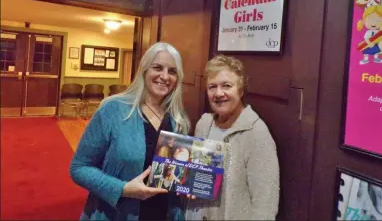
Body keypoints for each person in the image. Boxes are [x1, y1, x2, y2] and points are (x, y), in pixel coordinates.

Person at [70, 42, 190, 221]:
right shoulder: (113, 109)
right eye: (157, 68)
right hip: (117, 214)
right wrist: (123, 189)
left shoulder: (178, 119)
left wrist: (190, 184)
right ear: (144, 70)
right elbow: (79, 168)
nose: (165, 76)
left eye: (172, 71)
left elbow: (175, 175)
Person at [185, 55, 280, 220]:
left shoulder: (256, 133)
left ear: (241, 90)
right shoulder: (204, 124)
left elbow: (265, 207)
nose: (218, 93)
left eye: (227, 86)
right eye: (212, 87)